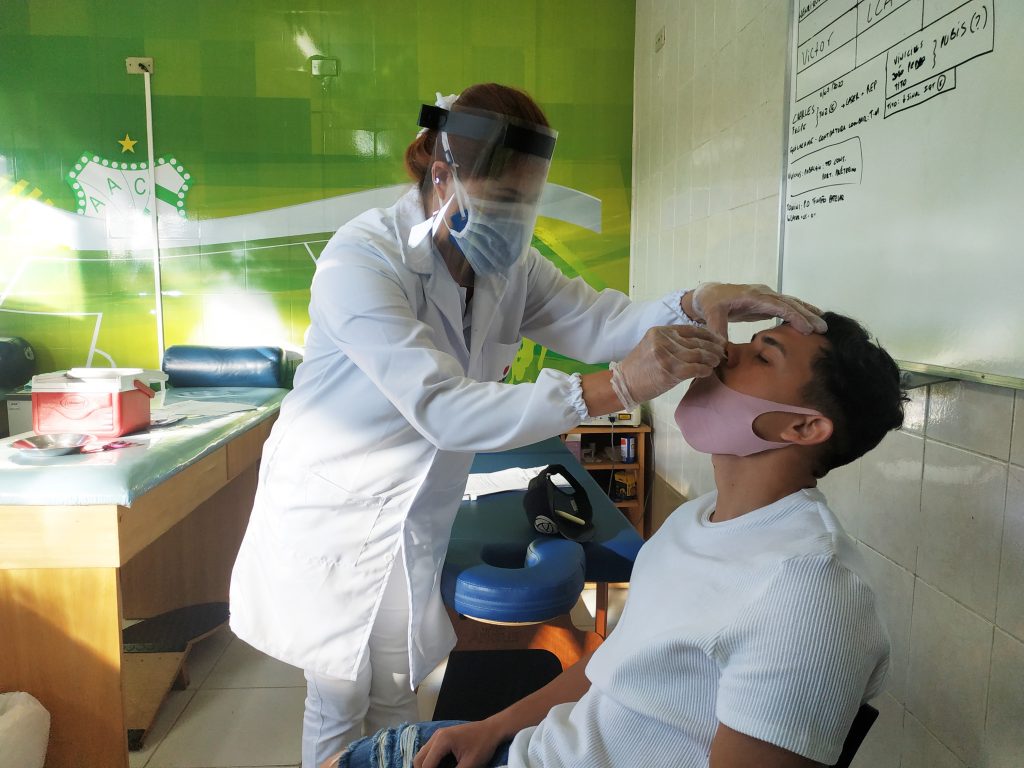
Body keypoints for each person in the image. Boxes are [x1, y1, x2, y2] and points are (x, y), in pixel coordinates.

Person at [227, 82, 826, 768]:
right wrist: (617, 386)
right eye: (504, 202)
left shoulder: (505, 268)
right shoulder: (361, 260)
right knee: (338, 695)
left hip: (412, 513)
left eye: (527, 202)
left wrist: (694, 300)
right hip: (337, 509)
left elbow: (603, 320)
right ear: (441, 173)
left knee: (395, 688)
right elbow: (442, 408)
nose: (517, 222)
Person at [326, 311, 907, 768]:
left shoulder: (809, 593)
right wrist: (493, 728)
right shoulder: (696, 520)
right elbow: (612, 665)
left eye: (761, 355)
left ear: (803, 427)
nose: (725, 351)